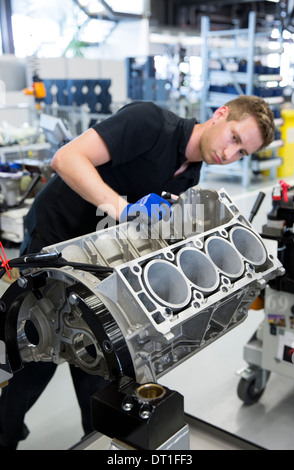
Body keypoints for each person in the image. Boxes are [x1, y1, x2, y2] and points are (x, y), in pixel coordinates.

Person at [0, 95, 275, 450]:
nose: (231, 153)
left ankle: (96, 438)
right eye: (235, 138)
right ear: (220, 115)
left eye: (242, 153)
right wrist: (123, 208)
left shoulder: (190, 176)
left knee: (97, 354)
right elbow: (66, 158)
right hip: (57, 237)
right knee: (38, 349)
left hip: (100, 263)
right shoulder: (151, 123)